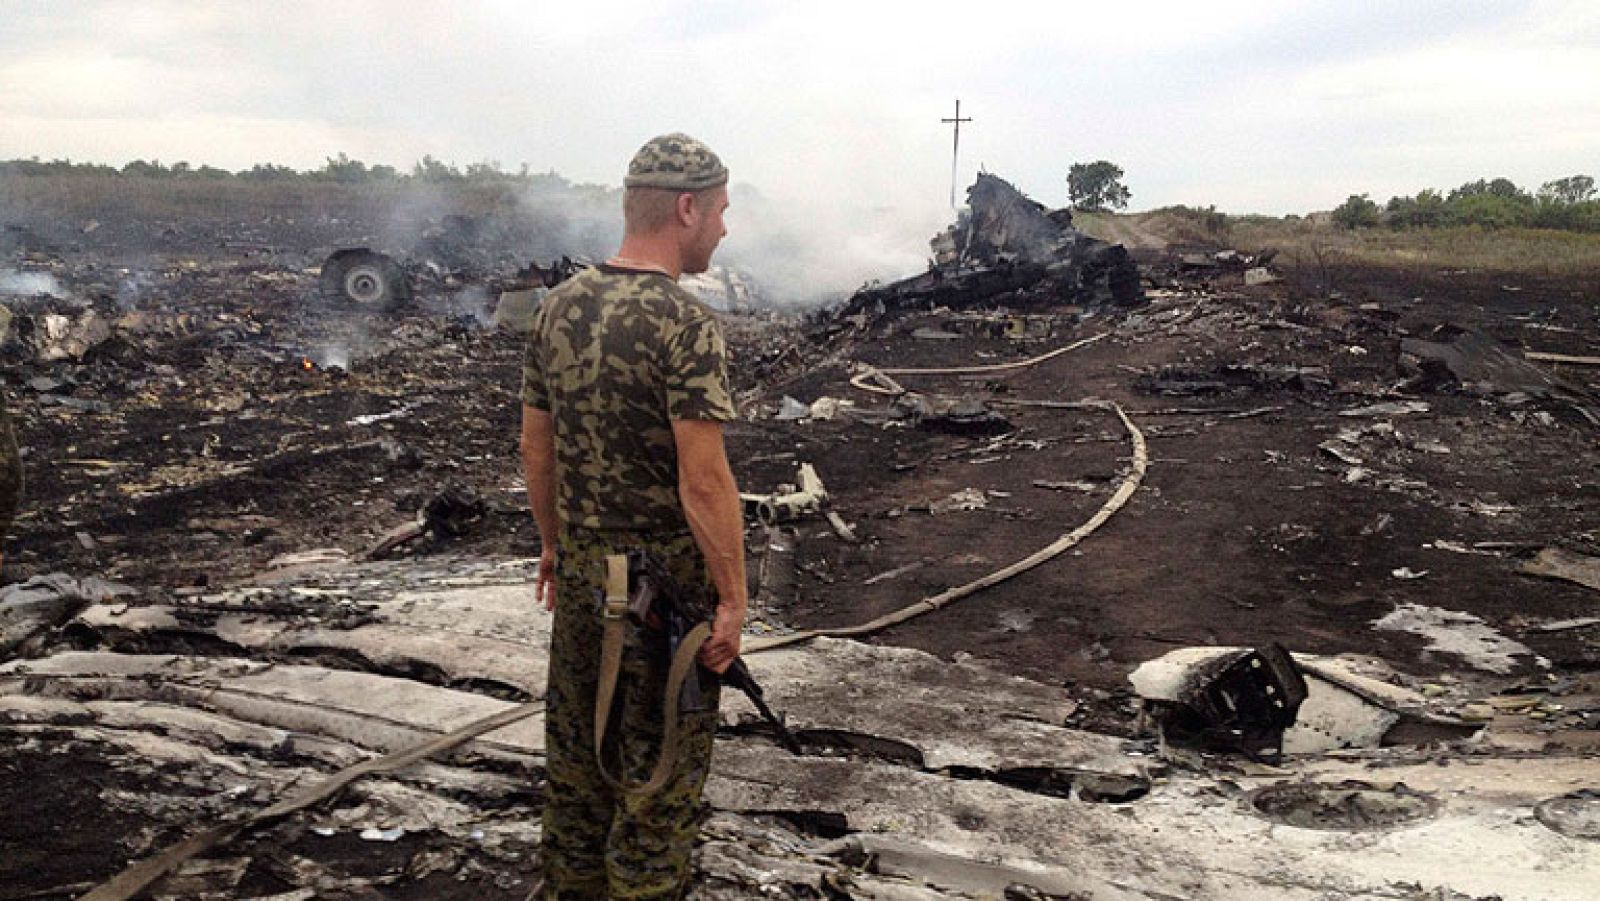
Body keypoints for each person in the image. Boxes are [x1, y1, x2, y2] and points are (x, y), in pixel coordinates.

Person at [520, 133, 747, 900]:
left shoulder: (557, 308)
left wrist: (553, 545)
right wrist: (732, 601)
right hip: (661, 601)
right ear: (686, 209)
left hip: (582, 583)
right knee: (656, 782)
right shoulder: (684, 324)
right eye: (719, 210)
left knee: (578, 769)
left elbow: (537, 446)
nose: (723, 226)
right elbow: (705, 484)